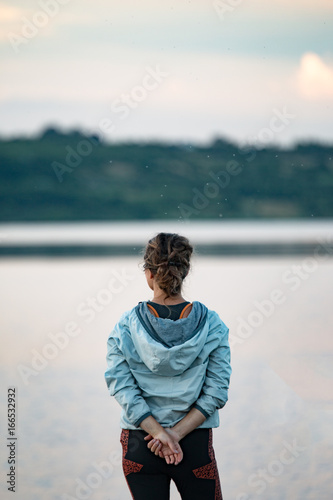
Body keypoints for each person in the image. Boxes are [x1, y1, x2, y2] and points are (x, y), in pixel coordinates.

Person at [105, 232, 231, 500]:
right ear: (185, 272)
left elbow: (122, 389)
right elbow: (217, 392)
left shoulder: (125, 325)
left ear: (149, 274)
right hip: (194, 444)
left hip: (141, 443)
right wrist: (174, 435)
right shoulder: (213, 323)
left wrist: (159, 433)